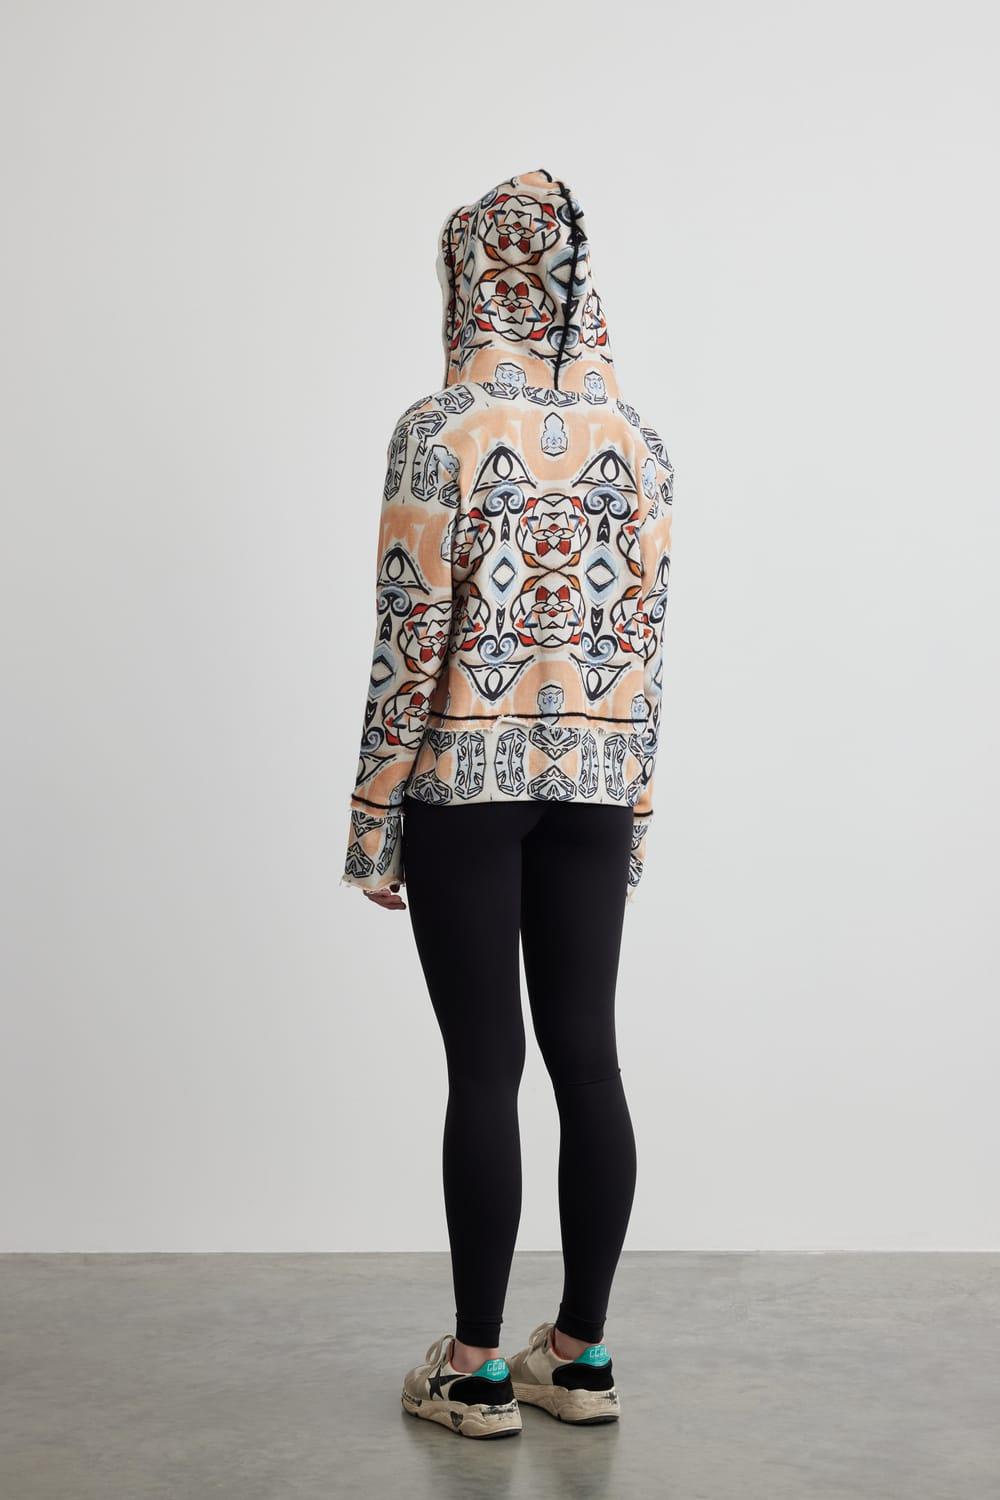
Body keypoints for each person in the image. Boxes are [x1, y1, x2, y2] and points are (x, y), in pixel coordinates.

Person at [343, 169, 673, 1438]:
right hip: (597, 780)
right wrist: (636, 807)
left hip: (465, 782)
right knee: (589, 1057)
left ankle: (477, 1368)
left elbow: (408, 635)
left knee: (485, 1067)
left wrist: (375, 819)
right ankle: (579, 1358)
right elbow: (647, 641)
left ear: (470, 280)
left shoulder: (439, 429)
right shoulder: (638, 441)